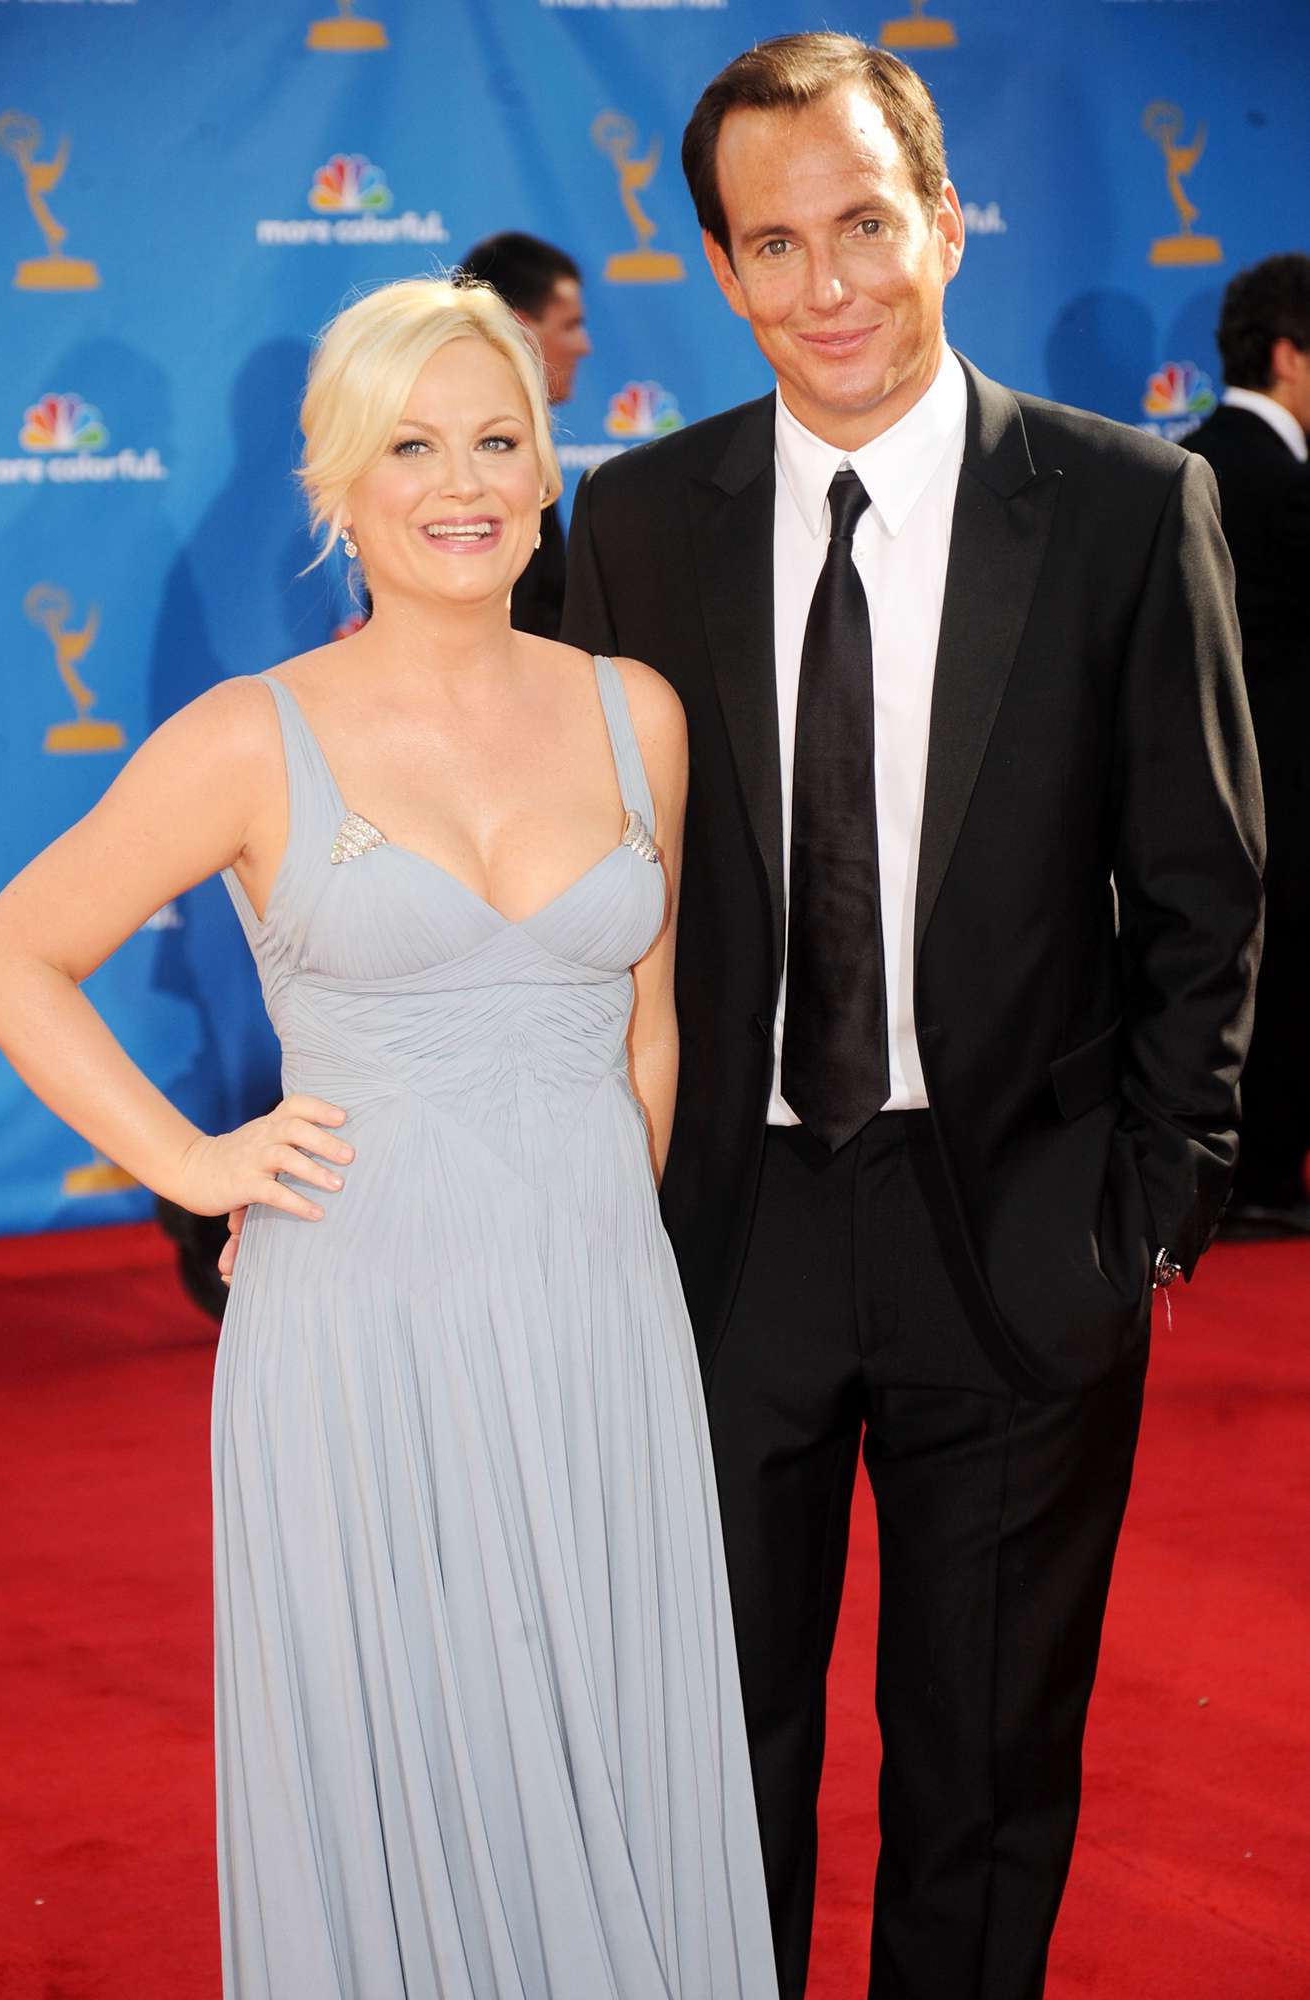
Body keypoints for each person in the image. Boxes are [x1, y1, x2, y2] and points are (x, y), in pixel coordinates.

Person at [559, 33, 1264, 2000]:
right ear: (716, 270)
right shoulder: (634, 518)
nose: (829, 284)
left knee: (979, 1773)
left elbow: (1208, 886)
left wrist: (1153, 1197)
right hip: (723, 1238)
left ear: (945, 221)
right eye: (771, 245)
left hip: (1024, 1225)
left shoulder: (1127, 507)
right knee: (713, 1756)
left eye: (865, 222)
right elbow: (571, 884)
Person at [0, 277, 778, 2000]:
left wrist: (592, 1258)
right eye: (411, 445)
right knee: (411, 1743)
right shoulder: (250, 737)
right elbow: (17, 953)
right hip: (361, 1332)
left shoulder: (635, 712)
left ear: (550, 465)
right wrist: (192, 1167)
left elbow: (649, 1037)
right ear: (338, 484)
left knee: (605, 1747)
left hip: (596, 1323)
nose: (463, 481)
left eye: (499, 438)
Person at [1186, 253, 1310, 1236]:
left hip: (1181, 800)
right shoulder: (1282, 485)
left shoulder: (1172, 464)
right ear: (1286, 356)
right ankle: (1264, 1175)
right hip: (1286, 794)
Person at [458, 230, 592, 639]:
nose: (583, 345)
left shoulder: (521, 446)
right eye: (570, 325)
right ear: (518, 328)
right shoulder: (481, 465)